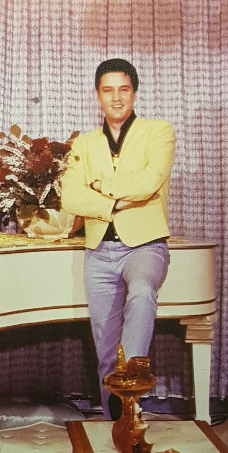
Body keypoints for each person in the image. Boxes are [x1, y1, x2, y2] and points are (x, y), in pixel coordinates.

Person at [60, 58, 175, 419]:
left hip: (145, 246)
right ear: (97, 96)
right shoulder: (84, 142)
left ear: (134, 93)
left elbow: (149, 180)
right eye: (108, 90)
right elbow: (70, 197)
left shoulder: (158, 131)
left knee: (142, 292)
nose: (116, 97)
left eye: (123, 89)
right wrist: (118, 200)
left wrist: (99, 188)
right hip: (99, 251)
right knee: (105, 348)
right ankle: (117, 424)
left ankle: (130, 384)